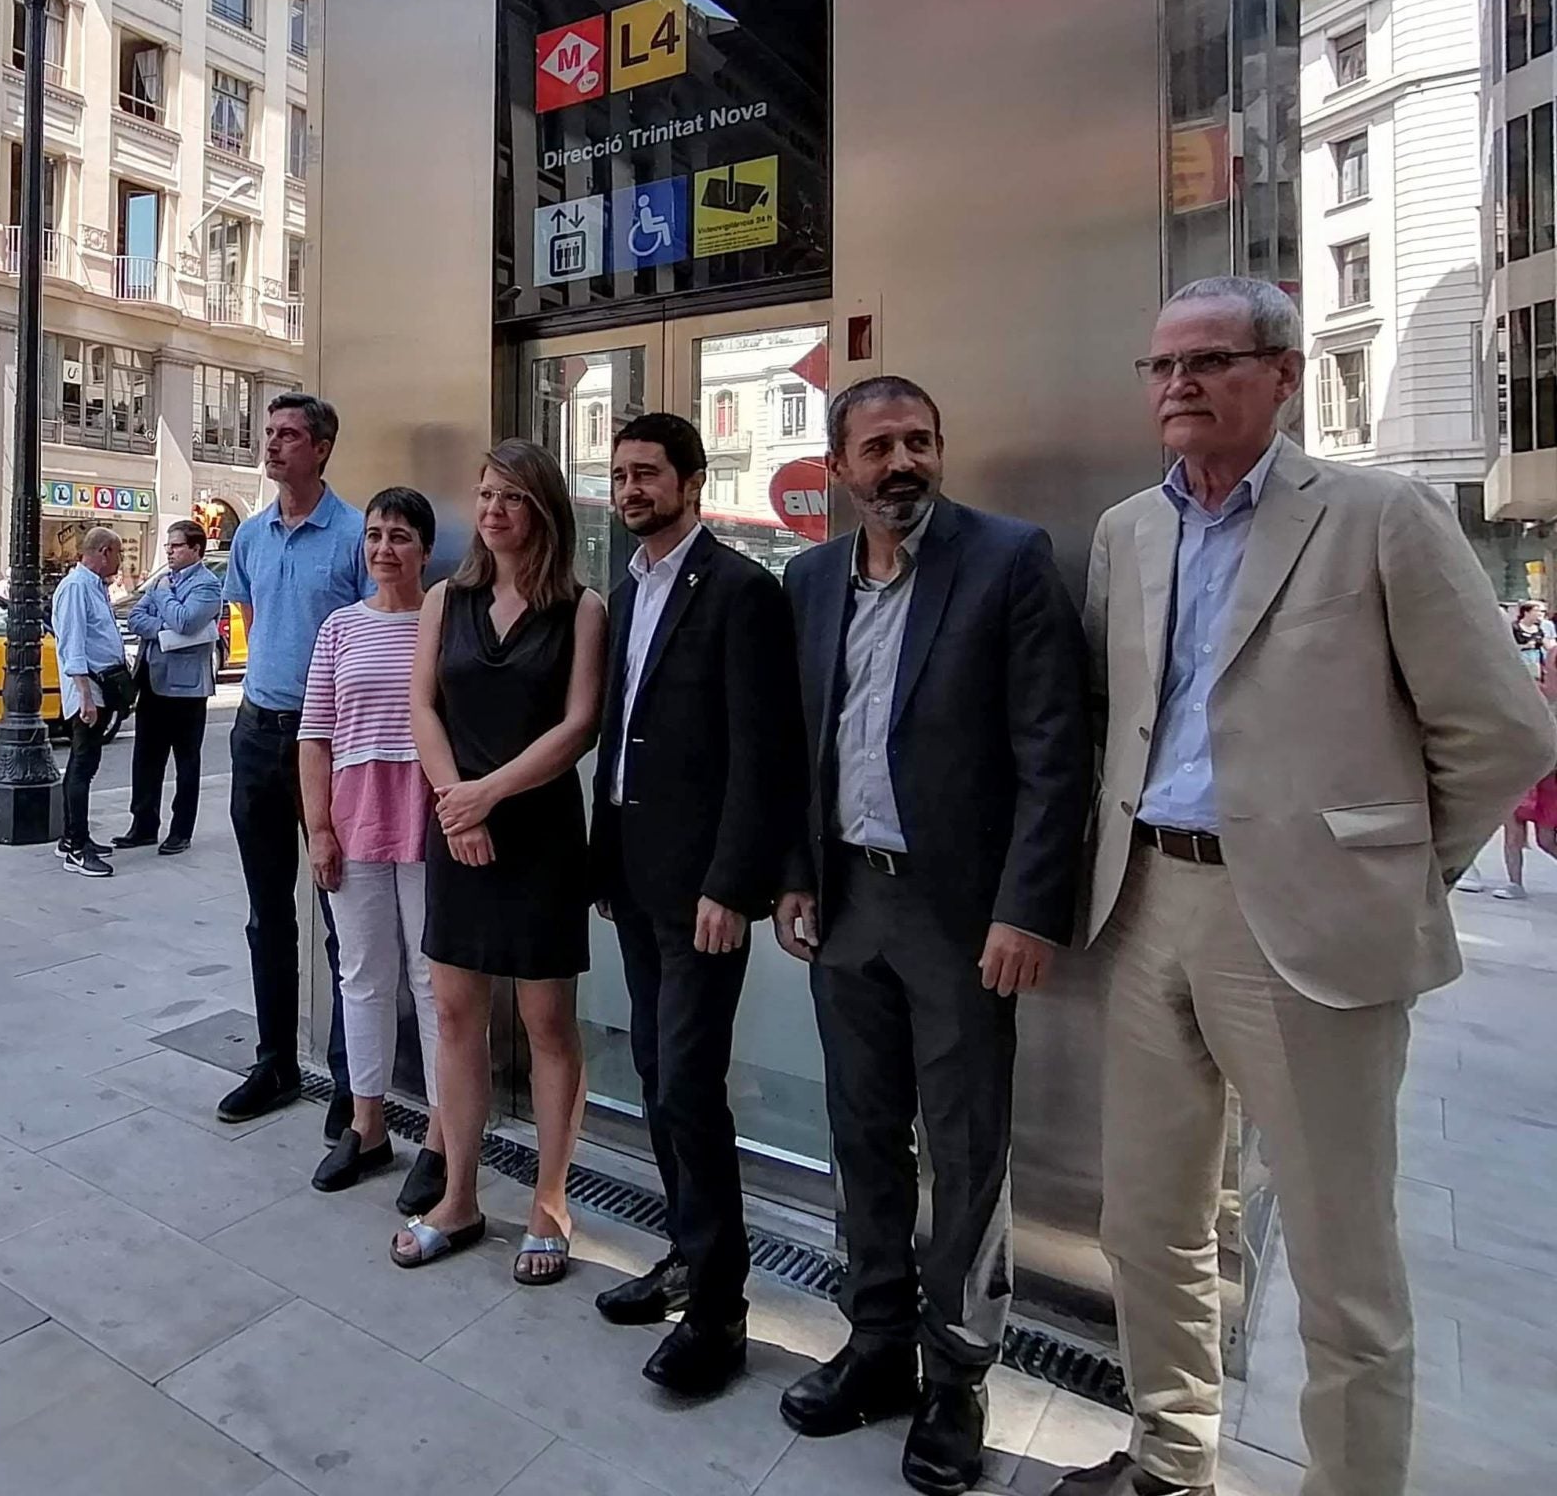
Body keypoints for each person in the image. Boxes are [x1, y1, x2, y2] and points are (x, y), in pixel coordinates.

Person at [1063, 277, 1555, 1496]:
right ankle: (1171, 1462)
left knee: (1343, 1266)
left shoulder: (1379, 516)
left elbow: (1501, 734)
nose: (1177, 384)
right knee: (1148, 1223)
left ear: (1281, 376)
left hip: (1300, 928)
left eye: (1209, 361)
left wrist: (1381, 869)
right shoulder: (1127, 530)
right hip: (1141, 908)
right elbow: (1106, 722)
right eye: (1161, 366)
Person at [771, 377, 1091, 1495]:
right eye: (876, 446)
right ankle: (873, 1347)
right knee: (860, 1137)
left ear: (940, 451)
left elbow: (1056, 753)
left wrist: (1023, 908)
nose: (899, 461)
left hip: (960, 921)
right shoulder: (809, 581)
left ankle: (956, 1375)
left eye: (917, 441)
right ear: (838, 468)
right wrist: (795, 877)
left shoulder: (1006, 561)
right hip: (846, 905)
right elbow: (797, 747)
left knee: (962, 1153)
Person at [585, 412, 808, 1395]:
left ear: (689, 480)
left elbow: (764, 754)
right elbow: (624, 737)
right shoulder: (627, 593)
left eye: (647, 474)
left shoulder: (743, 591)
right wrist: (603, 863)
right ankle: (684, 1253)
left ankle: (719, 1314)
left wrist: (735, 884)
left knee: (686, 1087)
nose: (631, 489)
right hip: (634, 882)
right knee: (650, 1071)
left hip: (703, 896)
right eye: (621, 474)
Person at [394, 439, 606, 1285]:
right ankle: (460, 1196)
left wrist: (489, 797)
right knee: (454, 1017)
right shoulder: (447, 597)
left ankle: (551, 1201)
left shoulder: (581, 608)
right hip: (459, 831)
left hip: (541, 835)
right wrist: (457, 803)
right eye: (484, 495)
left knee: (548, 1024)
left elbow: (578, 726)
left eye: (511, 497)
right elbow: (421, 705)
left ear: (543, 510)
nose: (492, 511)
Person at [216, 394, 368, 1132]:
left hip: (331, 745)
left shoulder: (354, 537)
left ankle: (351, 1081)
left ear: (323, 448)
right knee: (265, 915)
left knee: (345, 919)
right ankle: (275, 1060)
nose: (273, 445)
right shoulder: (249, 537)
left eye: (289, 435)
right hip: (256, 736)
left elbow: (376, 636)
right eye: (269, 434)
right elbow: (253, 625)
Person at [301, 488, 447, 1212]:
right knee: (361, 975)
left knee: (433, 981)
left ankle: (445, 1139)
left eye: (399, 537)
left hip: (431, 818)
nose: (384, 550)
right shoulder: (340, 629)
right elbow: (315, 735)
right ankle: (367, 1123)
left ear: (424, 547)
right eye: (374, 536)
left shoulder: (445, 622)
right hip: (353, 819)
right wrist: (319, 828)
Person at [117, 521, 223, 857]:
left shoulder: (206, 585)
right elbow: (136, 617)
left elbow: (187, 621)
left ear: (195, 549)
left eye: (175, 546)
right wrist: (164, 629)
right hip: (152, 681)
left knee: (186, 763)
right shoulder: (165, 579)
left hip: (187, 690)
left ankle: (181, 831)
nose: (169, 552)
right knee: (146, 759)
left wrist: (163, 600)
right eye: (168, 546)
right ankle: (143, 825)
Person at [51, 526, 126, 878]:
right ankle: (77, 848)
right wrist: (84, 695)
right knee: (82, 766)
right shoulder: (77, 588)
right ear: (104, 552)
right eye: (119, 553)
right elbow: (73, 644)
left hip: (98, 687)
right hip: (88, 690)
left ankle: (72, 837)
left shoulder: (95, 587)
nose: (121, 561)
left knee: (88, 763)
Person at [1462, 637, 1557, 899]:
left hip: (1548, 775)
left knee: (1545, 838)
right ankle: (1515, 883)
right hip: (1522, 770)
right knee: (1513, 830)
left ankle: (1513, 884)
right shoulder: (1532, 691)